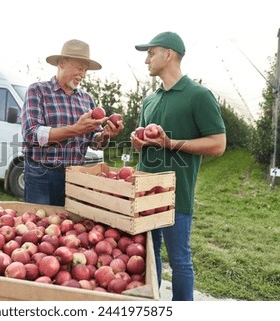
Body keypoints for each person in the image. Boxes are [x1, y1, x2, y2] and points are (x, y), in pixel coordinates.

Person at [131, 31, 227, 301]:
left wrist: (170, 143)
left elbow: (218, 144)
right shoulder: (150, 99)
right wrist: (139, 142)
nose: (146, 60)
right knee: (150, 255)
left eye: (151, 53)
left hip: (176, 195)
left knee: (180, 260)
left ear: (169, 54)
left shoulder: (198, 95)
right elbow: (147, 144)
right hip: (145, 191)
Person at [21, 39, 123, 206]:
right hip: (41, 174)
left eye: (85, 71)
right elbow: (31, 134)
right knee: (40, 222)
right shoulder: (38, 90)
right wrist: (75, 129)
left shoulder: (87, 99)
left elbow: (94, 140)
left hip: (74, 176)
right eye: (80, 68)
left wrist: (105, 135)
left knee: (70, 227)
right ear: (62, 63)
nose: (83, 75)